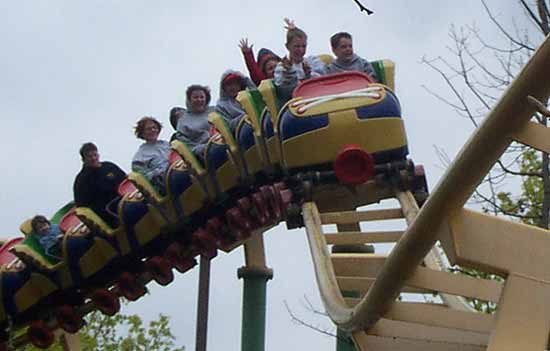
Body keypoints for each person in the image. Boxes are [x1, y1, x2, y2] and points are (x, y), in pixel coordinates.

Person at [73, 142, 126, 226]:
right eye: (89, 156)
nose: (93, 158)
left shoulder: (109, 166)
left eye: (95, 155)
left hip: (124, 199)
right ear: (83, 159)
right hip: (107, 213)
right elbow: (82, 206)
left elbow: (125, 181)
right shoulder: (81, 180)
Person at [273, 23, 326, 98]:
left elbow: (323, 81)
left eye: (304, 46)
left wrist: (309, 75)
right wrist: (290, 73)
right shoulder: (281, 68)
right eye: (297, 46)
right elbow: (285, 93)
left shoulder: (313, 61)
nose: (301, 50)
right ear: (287, 46)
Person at [238, 18, 295, 85]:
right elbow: (254, 71)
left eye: (276, 66)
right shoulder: (265, 82)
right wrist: (248, 54)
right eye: (270, 68)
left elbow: (294, 55)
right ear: (264, 73)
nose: (274, 70)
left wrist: (293, 32)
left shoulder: (288, 73)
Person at [171, 85, 213, 157]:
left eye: (201, 97)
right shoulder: (183, 120)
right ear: (189, 100)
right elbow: (185, 143)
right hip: (201, 151)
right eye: (195, 97)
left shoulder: (214, 111)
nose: (199, 100)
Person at [132, 117, 170, 192]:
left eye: (154, 127)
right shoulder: (139, 157)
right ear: (142, 133)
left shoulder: (166, 144)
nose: (153, 130)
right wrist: (159, 172)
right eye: (148, 129)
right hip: (164, 183)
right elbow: (143, 179)